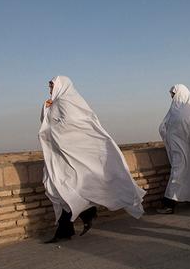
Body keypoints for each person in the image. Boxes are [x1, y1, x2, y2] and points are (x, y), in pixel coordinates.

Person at [39, 75, 146, 243]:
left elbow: (73, 127)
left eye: (52, 85)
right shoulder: (55, 104)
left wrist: (53, 124)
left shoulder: (69, 102)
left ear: (61, 85)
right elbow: (46, 125)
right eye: (50, 85)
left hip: (73, 157)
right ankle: (84, 216)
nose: (50, 88)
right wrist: (45, 109)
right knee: (61, 190)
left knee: (65, 190)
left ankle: (67, 228)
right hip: (60, 158)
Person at [157, 84, 190, 214]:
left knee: (177, 175)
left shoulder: (176, 113)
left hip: (180, 151)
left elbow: (164, 129)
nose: (172, 97)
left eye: (173, 94)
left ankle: (169, 204)